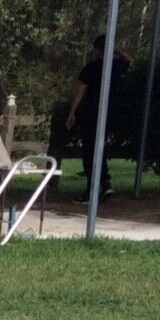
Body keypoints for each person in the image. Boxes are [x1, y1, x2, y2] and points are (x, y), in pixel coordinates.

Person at [66, 33, 131, 202]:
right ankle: (105, 183)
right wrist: (117, 51)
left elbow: (80, 92)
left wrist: (72, 112)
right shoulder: (117, 66)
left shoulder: (91, 68)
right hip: (111, 112)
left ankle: (93, 188)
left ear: (96, 50)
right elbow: (129, 60)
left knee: (90, 151)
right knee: (99, 149)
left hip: (92, 113)